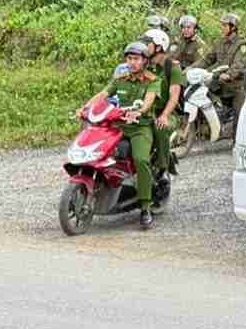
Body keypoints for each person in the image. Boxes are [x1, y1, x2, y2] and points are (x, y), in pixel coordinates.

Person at [78, 42, 161, 228]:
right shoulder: (121, 79)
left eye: (136, 59)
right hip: (119, 127)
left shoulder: (152, 80)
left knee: (140, 160)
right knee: (99, 151)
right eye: (129, 59)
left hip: (140, 127)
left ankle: (145, 207)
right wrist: (85, 107)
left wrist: (140, 111)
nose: (132, 63)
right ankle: (101, 187)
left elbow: (149, 101)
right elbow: (103, 95)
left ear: (145, 61)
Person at [141, 29, 185, 186]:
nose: (144, 46)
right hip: (146, 111)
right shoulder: (144, 66)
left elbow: (174, 98)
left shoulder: (172, 68)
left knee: (159, 127)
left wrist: (164, 115)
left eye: (148, 44)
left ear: (159, 47)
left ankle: (162, 169)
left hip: (168, 113)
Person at [198, 12, 246, 135]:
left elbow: (239, 64)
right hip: (219, 83)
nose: (222, 28)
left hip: (234, 85)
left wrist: (229, 74)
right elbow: (207, 59)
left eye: (225, 26)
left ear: (233, 27)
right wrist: (192, 68)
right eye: (222, 25)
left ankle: (236, 140)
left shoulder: (242, 44)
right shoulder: (220, 42)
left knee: (239, 113)